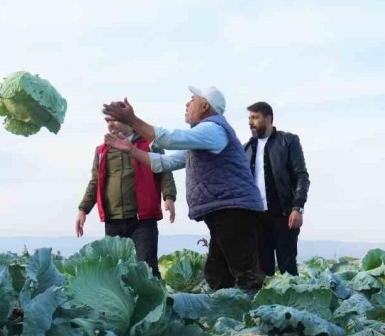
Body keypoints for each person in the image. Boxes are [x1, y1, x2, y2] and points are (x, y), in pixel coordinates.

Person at [102, 86, 266, 291]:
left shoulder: (213, 129)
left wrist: (133, 120)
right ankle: (230, 314)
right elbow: (166, 163)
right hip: (224, 211)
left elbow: (170, 139)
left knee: (245, 272)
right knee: (218, 273)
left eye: (192, 99)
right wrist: (131, 150)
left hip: (233, 210)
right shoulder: (201, 139)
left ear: (205, 106)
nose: (187, 104)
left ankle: (257, 316)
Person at [76, 117, 178, 277]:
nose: (110, 124)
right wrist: (83, 210)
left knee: (148, 268)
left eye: (114, 120)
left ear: (127, 121)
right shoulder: (101, 151)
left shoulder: (150, 145)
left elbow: (165, 172)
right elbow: (95, 182)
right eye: (107, 121)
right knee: (116, 272)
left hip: (143, 220)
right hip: (113, 220)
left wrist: (169, 197)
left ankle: (158, 302)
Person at [243, 101, 311, 276]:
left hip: (284, 215)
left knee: (287, 270)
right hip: (256, 218)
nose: (251, 122)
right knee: (262, 272)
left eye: (255, 117)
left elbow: (301, 176)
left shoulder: (288, 141)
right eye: (249, 118)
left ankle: (293, 303)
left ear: (268, 118)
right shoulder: (246, 149)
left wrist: (297, 208)